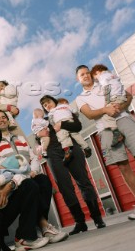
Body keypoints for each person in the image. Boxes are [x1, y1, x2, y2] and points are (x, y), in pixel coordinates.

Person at [76, 64, 135, 220]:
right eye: (82, 75)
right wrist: (105, 110)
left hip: (123, 119)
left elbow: (128, 96)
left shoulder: (106, 80)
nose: (86, 76)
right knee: (123, 166)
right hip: (105, 128)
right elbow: (89, 114)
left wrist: (119, 107)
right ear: (78, 79)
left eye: (87, 73)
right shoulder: (80, 98)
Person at [0, 110, 69, 243]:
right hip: (13, 182)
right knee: (31, 185)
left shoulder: (20, 139)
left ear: (8, 120)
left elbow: (33, 157)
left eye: (4, 117)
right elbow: (1, 167)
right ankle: (42, 226)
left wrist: (33, 170)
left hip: (29, 175)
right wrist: (23, 175)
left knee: (44, 181)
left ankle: (40, 226)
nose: (1, 120)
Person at [39, 95, 106, 235]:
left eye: (48, 102)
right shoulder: (43, 121)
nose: (47, 106)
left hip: (71, 147)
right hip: (53, 153)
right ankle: (80, 222)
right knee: (65, 187)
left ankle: (97, 218)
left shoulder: (64, 112)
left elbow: (78, 126)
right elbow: (38, 137)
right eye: (44, 105)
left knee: (83, 181)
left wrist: (62, 125)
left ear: (55, 102)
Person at [44, 97, 91, 163]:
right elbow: (51, 119)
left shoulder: (62, 107)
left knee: (62, 136)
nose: (48, 105)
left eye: (49, 103)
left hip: (65, 121)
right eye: (45, 105)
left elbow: (74, 111)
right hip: (67, 121)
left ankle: (68, 149)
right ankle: (86, 147)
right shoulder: (53, 111)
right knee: (75, 135)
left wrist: (55, 125)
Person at [90, 64, 126, 146]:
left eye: (95, 78)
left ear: (97, 72)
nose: (97, 80)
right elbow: (120, 85)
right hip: (121, 96)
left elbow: (107, 88)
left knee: (106, 116)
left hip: (113, 97)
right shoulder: (113, 75)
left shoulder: (102, 77)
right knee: (123, 110)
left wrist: (107, 101)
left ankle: (117, 134)